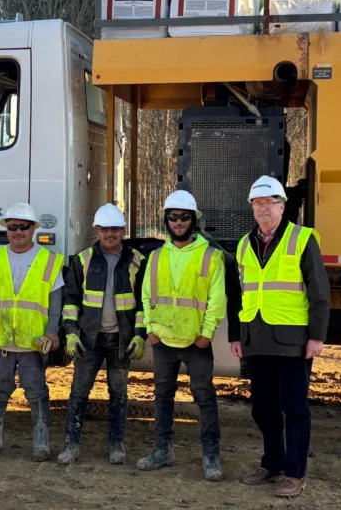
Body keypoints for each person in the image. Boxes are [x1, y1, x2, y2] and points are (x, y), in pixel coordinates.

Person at [230, 175, 330, 498]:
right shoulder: (245, 244)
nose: (263, 210)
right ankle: (272, 463)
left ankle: (295, 472)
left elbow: (320, 292)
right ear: (252, 208)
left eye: (269, 203)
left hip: (292, 343)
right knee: (263, 408)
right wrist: (236, 335)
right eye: (257, 204)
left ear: (282, 206)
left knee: (295, 409)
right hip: (256, 340)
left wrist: (316, 336)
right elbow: (238, 295)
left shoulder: (302, 240)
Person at [137, 190, 226, 481]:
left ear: (193, 220)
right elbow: (147, 293)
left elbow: (217, 299)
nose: (178, 222)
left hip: (196, 342)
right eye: (173, 217)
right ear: (166, 219)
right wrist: (150, 330)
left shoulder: (210, 256)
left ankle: (211, 456)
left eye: (183, 217)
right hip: (162, 340)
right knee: (162, 396)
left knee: (204, 398)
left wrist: (206, 334)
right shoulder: (156, 256)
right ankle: (162, 450)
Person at [57, 203, 147, 465]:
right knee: (79, 392)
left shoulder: (137, 261)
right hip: (89, 341)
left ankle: (116, 445)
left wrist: (139, 334)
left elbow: (143, 302)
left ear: (123, 231)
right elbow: (71, 300)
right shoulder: (82, 260)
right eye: (105, 229)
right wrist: (71, 333)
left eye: (116, 229)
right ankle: (71, 445)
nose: (110, 234)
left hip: (121, 340)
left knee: (118, 393)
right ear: (96, 231)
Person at [0, 202, 65, 462]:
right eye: (13, 227)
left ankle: (41, 443)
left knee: (36, 390)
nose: (18, 232)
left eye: (23, 227)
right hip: (0, 340)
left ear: (33, 229)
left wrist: (52, 332)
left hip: (32, 342)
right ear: (7, 230)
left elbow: (55, 300)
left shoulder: (47, 260)